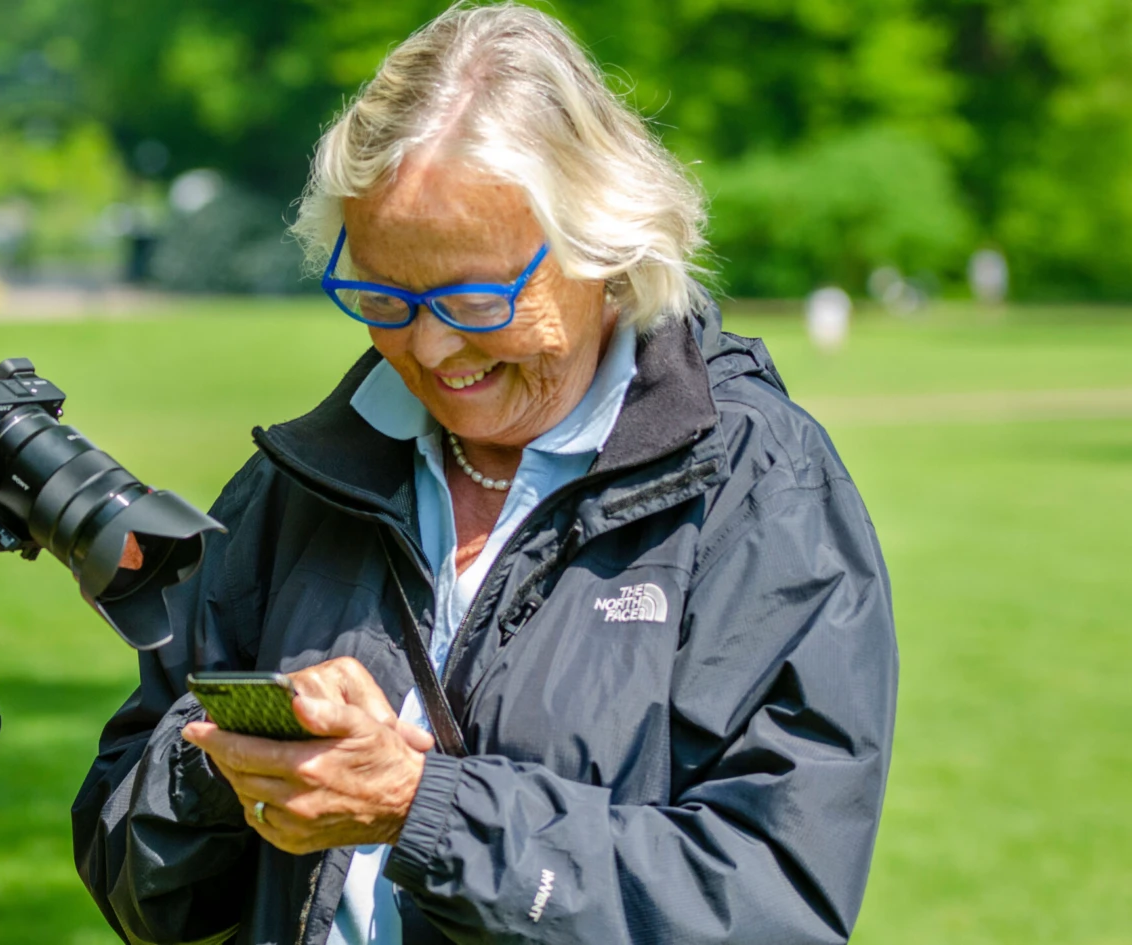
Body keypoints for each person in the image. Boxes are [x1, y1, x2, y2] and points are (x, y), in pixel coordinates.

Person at [73, 4, 898, 944]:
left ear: (607, 245)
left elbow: (773, 907)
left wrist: (427, 812)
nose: (428, 346)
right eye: (382, 294)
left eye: (473, 294)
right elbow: (135, 884)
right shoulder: (307, 477)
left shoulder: (757, 485)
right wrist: (222, 765)